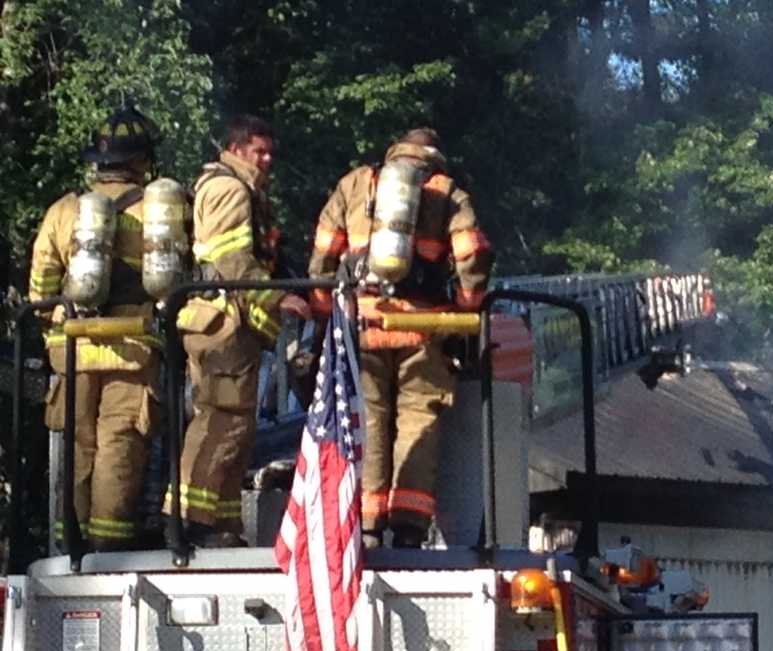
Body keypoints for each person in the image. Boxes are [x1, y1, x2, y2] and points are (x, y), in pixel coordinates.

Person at [308, 128, 493, 548]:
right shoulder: (447, 191)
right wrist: (465, 312)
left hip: (363, 324)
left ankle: (368, 525)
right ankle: (409, 524)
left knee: (368, 418)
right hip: (423, 327)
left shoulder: (355, 184)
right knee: (417, 422)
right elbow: (471, 254)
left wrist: (323, 316)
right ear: (435, 159)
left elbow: (323, 253)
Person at [28, 106, 165, 551]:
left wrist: (62, 326)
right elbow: (174, 282)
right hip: (131, 347)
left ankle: (71, 548)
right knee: (119, 447)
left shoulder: (64, 211)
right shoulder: (156, 210)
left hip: (73, 351)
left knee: (78, 449)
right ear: (142, 161)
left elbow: (41, 289)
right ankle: (110, 552)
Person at [172, 114, 310, 547]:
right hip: (222, 324)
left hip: (230, 324)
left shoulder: (242, 189)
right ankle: (191, 520)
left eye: (270, 151)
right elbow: (232, 260)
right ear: (235, 149)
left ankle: (221, 524)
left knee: (238, 428)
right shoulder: (229, 188)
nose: (267, 159)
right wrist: (275, 297)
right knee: (221, 423)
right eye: (258, 151)